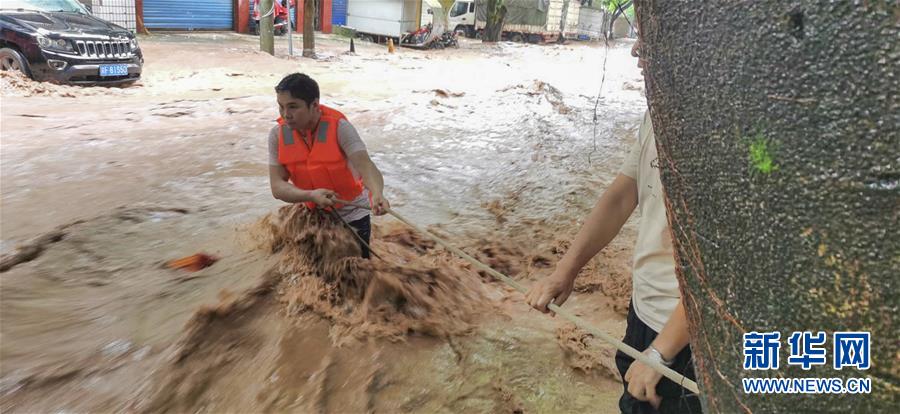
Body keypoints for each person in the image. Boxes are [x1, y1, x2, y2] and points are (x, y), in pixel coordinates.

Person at [524, 39, 701, 414]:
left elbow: (728, 271)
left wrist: (661, 352)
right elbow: (624, 193)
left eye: (657, 35)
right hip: (644, 313)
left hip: (691, 342)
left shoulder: (727, 131)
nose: (638, 49)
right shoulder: (659, 111)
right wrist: (565, 271)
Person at [268, 73, 390, 259]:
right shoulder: (277, 135)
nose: (286, 115)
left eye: (293, 107)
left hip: (352, 213)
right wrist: (309, 195)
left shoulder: (340, 128)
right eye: (281, 107)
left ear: (314, 105)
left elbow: (366, 167)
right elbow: (277, 187)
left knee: (357, 269)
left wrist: (378, 193)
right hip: (311, 212)